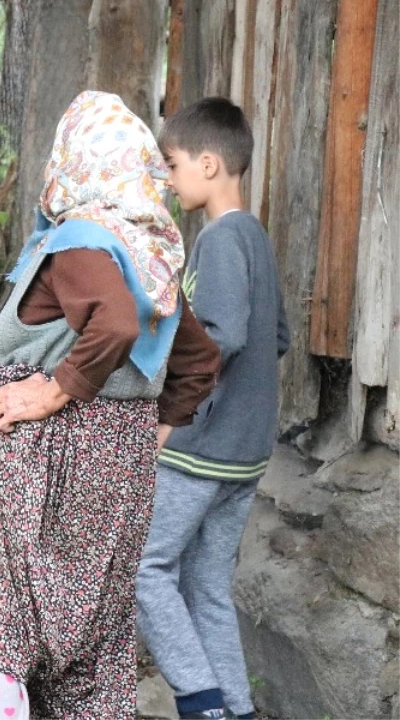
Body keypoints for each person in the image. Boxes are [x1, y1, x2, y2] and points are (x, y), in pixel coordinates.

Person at [0, 91, 222, 719]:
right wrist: (151, 434)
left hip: (34, 466)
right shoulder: (148, 259)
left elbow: (114, 323)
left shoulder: (81, 241)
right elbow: (199, 360)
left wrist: (54, 390)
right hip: (114, 471)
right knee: (89, 656)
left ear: (72, 158)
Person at [136, 98, 289, 720]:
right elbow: (276, 337)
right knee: (205, 585)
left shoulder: (221, 240)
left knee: (146, 571)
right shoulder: (254, 237)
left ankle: (202, 704)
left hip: (202, 446)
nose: (168, 182)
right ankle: (237, 710)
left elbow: (221, 334)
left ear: (207, 162)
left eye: (171, 166)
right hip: (246, 451)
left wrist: (169, 413)